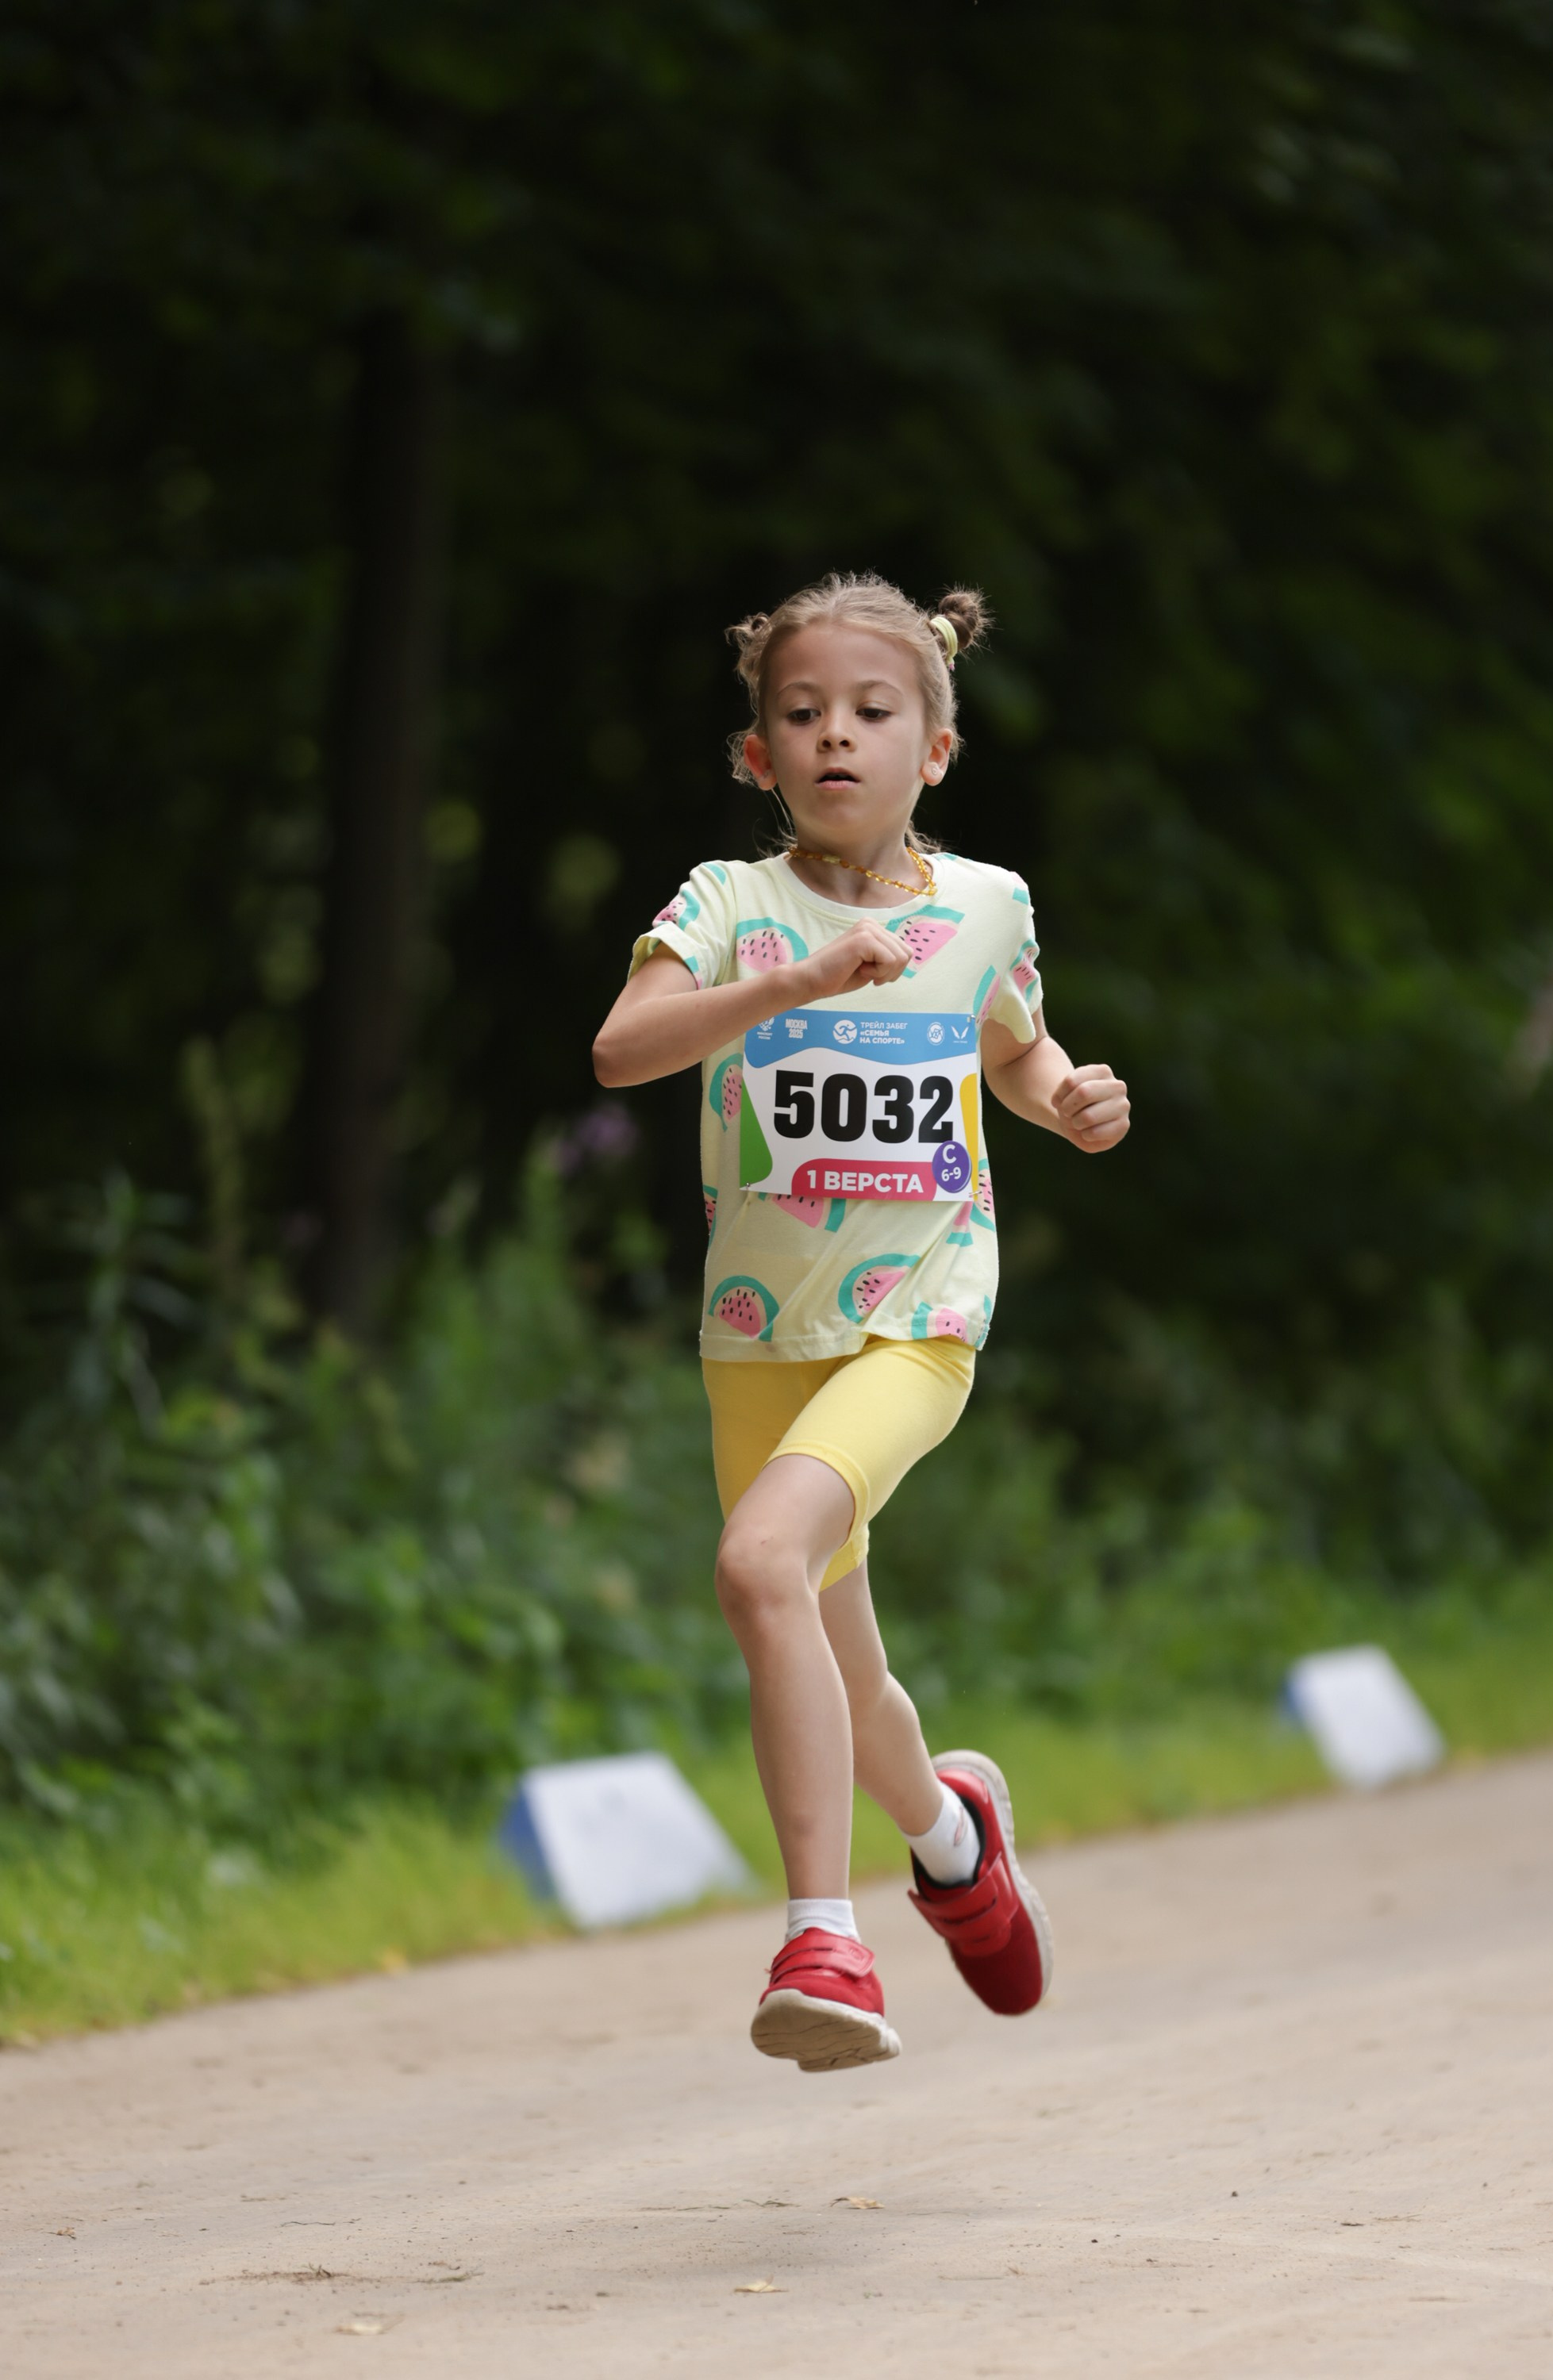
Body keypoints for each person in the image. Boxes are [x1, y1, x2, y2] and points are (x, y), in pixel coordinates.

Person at [593, 572, 1130, 2071]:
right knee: (842, 1658)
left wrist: (1069, 1100)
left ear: (934, 750)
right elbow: (624, 1050)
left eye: (872, 711)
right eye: (802, 711)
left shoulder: (987, 907)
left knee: (756, 1565)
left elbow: (1015, 1049)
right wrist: (796, 983)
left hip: (918, 1321)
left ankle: (822, 1938)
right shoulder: (727, 906)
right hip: (757, 1335)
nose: (837, 734)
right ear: (757, 753)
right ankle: (955, 1842)